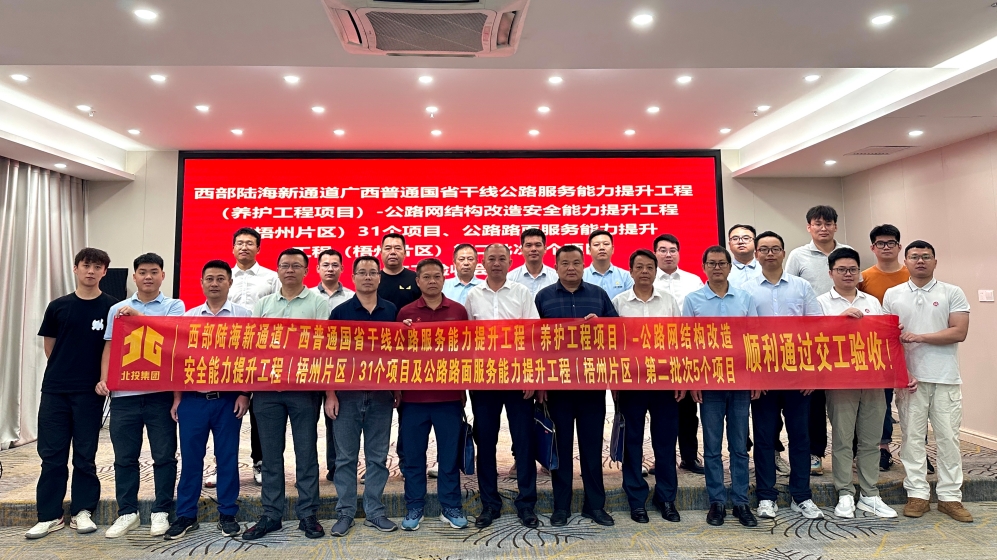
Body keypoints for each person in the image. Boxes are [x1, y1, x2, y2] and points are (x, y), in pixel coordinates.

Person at [25, 248, 117, 540]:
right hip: (55, 390)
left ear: (104, 272)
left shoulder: (112, 308)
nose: (91, 271)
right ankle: (49, 515)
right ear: (76, 268)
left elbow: (113, 348)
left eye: (97, 266)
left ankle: (83, 511)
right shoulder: (58, 306)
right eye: (86, 265)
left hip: (90, 392)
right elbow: (50, 347)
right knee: (51, 454)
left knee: (85, 455)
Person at [242, 248, 329, 541]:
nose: (289, 270)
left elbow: (325, 348)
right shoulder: (263, 304)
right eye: (284, 265)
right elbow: (252, 348)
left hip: (304, 390)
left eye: (296, 266)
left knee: (306, 454)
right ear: (277, 270)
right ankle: (271, 514)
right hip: (266, 391)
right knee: (270, 456)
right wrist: (246, 390)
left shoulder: (318, 303)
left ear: (306, 271)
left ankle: (308, 514)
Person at [96, 253, 185, 538]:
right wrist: (105, 379)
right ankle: (127, 512)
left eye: (154, 272)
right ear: (134, 276)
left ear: (162, 276)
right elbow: (109, 347)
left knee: (164, 456)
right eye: (143, 272)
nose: (148, 277)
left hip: (160, 394)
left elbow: (172, 336)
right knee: (124, 457)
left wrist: (138, 317)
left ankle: (161, 511)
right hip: (125, 396)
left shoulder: (175, 306)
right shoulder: (117, 308)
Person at [883, 241, 972, 522]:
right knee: (911, 438)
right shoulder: (893, 294)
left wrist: (919, 337)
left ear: (935, 261)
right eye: (914, 257)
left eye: (926, 257)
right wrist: (900, 372)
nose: (920, 261)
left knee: (949, 439)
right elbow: (887, 339)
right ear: (905, 261)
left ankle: (950, 497)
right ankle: (917, 494)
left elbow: (959, 332)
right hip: (910, 380)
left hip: (945, 377)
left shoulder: (952, 292)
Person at [738, 231, 824, 520]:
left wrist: (812, 372)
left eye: (775, 248)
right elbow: (743, 335)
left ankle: (802, 496)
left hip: (798, 373)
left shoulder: (801, 286)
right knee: (764, 437)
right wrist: (752, 376)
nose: (770, 253)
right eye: (764, 249)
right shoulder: (746, 289)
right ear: (756, 255)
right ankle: (766, 495)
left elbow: (816, 329)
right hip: (763, 376)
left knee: (800, 437)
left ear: (784, 253)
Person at [165, 261, 252, 540]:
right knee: (191, 459)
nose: (215, 283)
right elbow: (178, 362)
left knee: (227, 457)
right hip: (193, 400)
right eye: (210, 279)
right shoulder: (189, 317)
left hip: (228, 400)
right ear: (202, 283)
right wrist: (177, 398)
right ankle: (186, 515)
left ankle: (227, 512)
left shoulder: (244, 316)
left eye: (220, 279)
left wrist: (244, 393)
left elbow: (251, 358)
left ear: (230, 282)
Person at [535, 245, 619, 527]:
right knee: (560, 448)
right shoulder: (543, 297)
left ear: (584, 265)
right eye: (565, 263)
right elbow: (533, 342)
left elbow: (617, 332)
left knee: (591, 447)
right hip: (556, 386)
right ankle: (561, 507)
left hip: (591, 383)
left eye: (576, 263)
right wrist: (539, 381)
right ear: (556, 267)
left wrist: (601, 324)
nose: (571, 268)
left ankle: (595, 506)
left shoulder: (599, 294)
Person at [463, 243, 541, 529]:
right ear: (483, 263)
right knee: (485, 442)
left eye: (502, 259)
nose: (496, 263)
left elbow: (534, 336)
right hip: (483, 379)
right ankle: (489, 504)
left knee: (524, 441)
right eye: (491, 259)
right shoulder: (473, 295)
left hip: (518, 377)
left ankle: (526, 504)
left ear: (510, 262)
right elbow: (465, 339)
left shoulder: (522, 293)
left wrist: (532, 375)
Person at [817, 248, 897, 519]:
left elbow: (884, 338)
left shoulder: (872, 301)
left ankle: (870, 494)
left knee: (871, 439)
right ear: (831, 273)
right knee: (842, 438)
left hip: (872, 379)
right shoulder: (821, 303)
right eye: (841, 270)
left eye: (853, 269)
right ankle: (844, 492)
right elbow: (813, 340)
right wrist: (839, 322)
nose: (848, 274)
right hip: (840, 381)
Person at [682, 246, 757, 528]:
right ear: (703, 267)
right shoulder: (693, 300)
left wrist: (755, 378)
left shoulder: (745, 298)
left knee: (739, 446)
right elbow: (687, 343)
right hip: (709, 382)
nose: (717, 268)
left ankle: (740, 502)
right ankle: (716, 501)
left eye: (722, 263)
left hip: (740, 381)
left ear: (729, 267)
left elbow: (755, 340)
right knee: (712, 447)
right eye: (711, 263)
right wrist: (693, 380)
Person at [327, 256, 401, 537]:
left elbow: (400, 352)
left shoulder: (391, 310)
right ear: (353, 277)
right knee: (345, 458)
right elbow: (328, 355)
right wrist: (330, 394)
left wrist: (397, 389)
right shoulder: (341, 312)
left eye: (373, 273)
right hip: (347, 395)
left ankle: (375, 512)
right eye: (362, 272)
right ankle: (345, 512)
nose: (368, 277)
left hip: (381, 395)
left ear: (379, 278)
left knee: (377, 457)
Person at [396, 258, 469, 531]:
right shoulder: (406, 312)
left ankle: (450, 506)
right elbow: (396, 354)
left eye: (437, 276)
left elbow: (468, 351)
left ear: (443, 279)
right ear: (417, 281)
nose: (432, 281)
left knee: (449, 457)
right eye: (426, 277)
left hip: (448, 398)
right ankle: (414, 506)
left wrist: (463, 389)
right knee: (414, 457)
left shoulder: (458, 311)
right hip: (413, 399)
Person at [610, 249, 682, 524]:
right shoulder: (619, 302)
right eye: (638, 267)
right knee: (632, 442)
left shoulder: (668, 301)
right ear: (630, 271)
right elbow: (612, 345)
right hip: (631, 382)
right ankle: (636, 499)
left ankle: (666, 498)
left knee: (665, 441)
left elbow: (680, 341)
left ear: (655, 271)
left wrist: (681, 378)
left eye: (649, 267)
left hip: (665, 381)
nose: (644, 271)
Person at [785, 205, 854, 476]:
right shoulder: (798, 255)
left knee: (846, 397)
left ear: (836, 226)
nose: (823, 228)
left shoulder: (847, 252)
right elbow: (790, 290)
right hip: (811, 338)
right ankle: (815, 453)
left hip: (844, 338)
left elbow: (855, 286)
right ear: (809, 227)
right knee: (813, 398)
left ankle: (850, 452)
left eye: (828, 223)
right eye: (817, 223)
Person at [228, 227, 278, 487]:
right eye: (240, 243)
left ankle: (260, 462)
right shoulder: (224, 277)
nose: (244, 247)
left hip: (262, 350)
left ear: (258, 248)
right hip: (229, 351)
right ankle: (224, 464)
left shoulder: (271, 278)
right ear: (233, 248)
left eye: (249, 243)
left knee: (260, 409)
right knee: (228, 409)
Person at [652, 233, 705, 475]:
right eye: (663, 250)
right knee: (660, 411)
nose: (668, 254)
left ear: (679, 253)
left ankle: (689, 457)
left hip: (687, 351)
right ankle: (661, 459)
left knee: (687, 410)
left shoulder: (693, 280)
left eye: (672, 250)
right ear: (655, 253)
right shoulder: (648, 280)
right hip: (657, 353)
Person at [858, 224, 910, 472]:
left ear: (899, 247)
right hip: (877, 349)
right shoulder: (864, 277)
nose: (886, 247)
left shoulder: (912, 272)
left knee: (914, 401)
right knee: (883, 401)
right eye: (880, 243)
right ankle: (883, 447)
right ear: (873, 248)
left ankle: (916, 449)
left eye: (891, 243)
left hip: (911, 345)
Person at [311, 248, 354, 481]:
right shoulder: (307, 296)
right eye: (325, 265)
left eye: (335, 265)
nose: (330, 269)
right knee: (307, 422)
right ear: (317, 268)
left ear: (342, 269)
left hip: (339, 367)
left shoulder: (351, 297)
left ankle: (336, 466)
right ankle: (308, 470)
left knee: (335, 418)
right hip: (309, 366)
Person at [583, 229, 634, 299]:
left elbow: (631, 302)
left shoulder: (625, 277)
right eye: (596, 245)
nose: (602, 248)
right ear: (589, 250)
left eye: (606, 244)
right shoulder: (581, 277)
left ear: (612, 249)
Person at [378, 233, 421, 310]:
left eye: (397, 248)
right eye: (388, 248)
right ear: (381, 253)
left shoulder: (416, 279)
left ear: (405, 253)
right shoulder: (373, 279)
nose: (392, 252)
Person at [509, 228, 558, 296]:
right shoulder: (510, 278)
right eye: (528, 245)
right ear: (521, 250)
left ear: (545, 249)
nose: (533, 249)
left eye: (538, 245)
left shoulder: (556, 278)